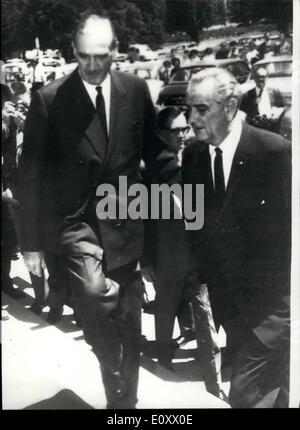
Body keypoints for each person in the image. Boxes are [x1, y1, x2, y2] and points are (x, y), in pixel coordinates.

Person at [18, 12, 179, 409]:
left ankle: (123, 406)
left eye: (101, 57)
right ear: (73, 53)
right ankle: (114, 362)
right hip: (74, 223)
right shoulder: (50, 99)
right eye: (85, 56)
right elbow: (30, 176)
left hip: (125, 218)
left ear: (115, 53)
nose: (93, 65)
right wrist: (31, 244)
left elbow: (157, 154)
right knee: (92, 293)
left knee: (127, 317)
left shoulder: (135, 89)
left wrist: (178, 194)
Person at [182, 67, 291, 408]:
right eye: (189, 109)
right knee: (275, 394)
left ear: (229, 107)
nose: (192, 119)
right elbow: (194, 223)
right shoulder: (194, 156)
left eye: (201, 109)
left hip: (273, 311)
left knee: (244, 396)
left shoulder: (274, 153)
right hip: (230, 309)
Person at [144, 107, 195, 369]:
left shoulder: (196, 156)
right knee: (166, 307)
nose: (182, 135)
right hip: (167, 252)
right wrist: (146, 261)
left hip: (196, 248)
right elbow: (142, 219)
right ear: (161, 133)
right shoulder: (149, 168)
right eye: (176, 131)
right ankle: (164, 358)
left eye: (185, 129)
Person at [240, 67, 285, 131]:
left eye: (263, 77)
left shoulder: (275, 92)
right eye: (258, 77)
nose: (261, 79)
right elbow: (241, 113)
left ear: (267, 78)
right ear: (254, 79)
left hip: (273, 128)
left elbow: (284, 107)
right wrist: (251, 119)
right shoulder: (247, 95)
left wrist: (278, 112)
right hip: (256, 130)